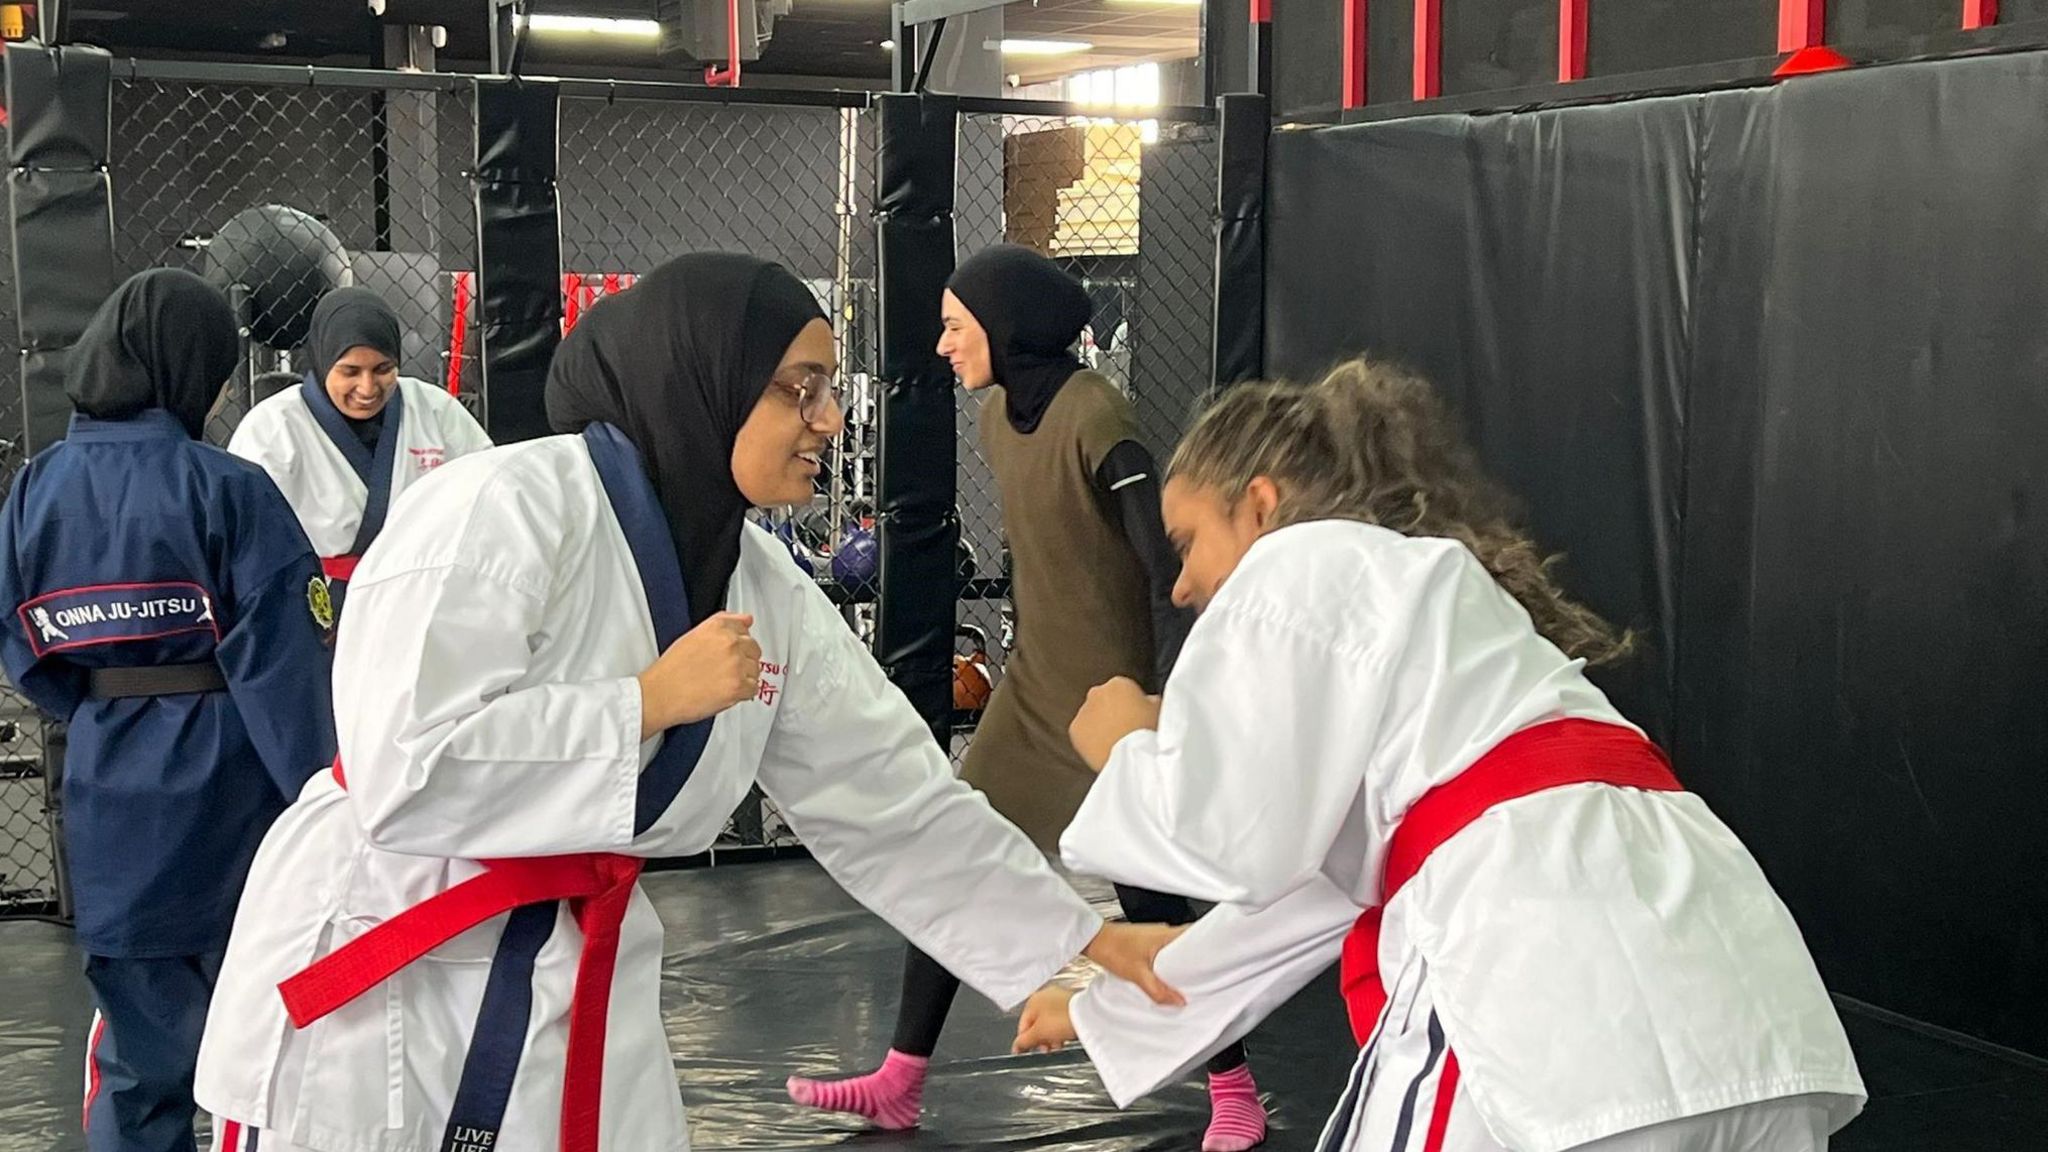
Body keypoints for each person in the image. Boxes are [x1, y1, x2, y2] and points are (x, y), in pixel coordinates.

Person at [193, 252, 1182, 1152]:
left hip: (573, 967)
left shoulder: (758, 584)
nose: (828, 420)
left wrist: (1078, 938)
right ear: (702, 379)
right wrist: (641, 705)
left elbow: (889, 798)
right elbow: (404, 772)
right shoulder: (500, 509)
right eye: (802, 388)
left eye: (828, 389)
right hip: (391, 965)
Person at [1009, 359, 1869, 1151]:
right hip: (1750, 1022)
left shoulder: (1296, 563)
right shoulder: (1456, 646)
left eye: (1188, 541)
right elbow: (1294, 906)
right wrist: (1105, 1007)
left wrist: (1127, 743)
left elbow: (1230, 839)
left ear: (1261, 506)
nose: (1182, 585)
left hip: (1556, 1003)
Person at [788, 244, 1267, 1152]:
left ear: (1005, 331)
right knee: (952, 861)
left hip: (1107, 704)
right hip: (1034, 689)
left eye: (955, 327)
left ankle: (1236, 1090)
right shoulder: (1000, 418)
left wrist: (1165, 698)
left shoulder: (1097, 413)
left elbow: (1162, 563)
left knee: (1152, 901)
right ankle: (900, 1080)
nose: (941, 347)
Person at [0, 269, 337, 1152]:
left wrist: (107, 703)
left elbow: (23, 645)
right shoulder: (228, 489)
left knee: (140, 1058)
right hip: (232, 797)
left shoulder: (36, 489)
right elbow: (285, 669)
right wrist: (331, 801)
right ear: (191, 370)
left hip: (107, 788)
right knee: (267, 1051)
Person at [227, 286, 492, 613]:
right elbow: (248, 539)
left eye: (383, 369)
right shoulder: (273, 427)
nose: (367, 388)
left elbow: (490, 493)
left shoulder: (435, 410)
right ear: (324, 360)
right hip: (314, 604)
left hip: (421, 595)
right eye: (350, 371)